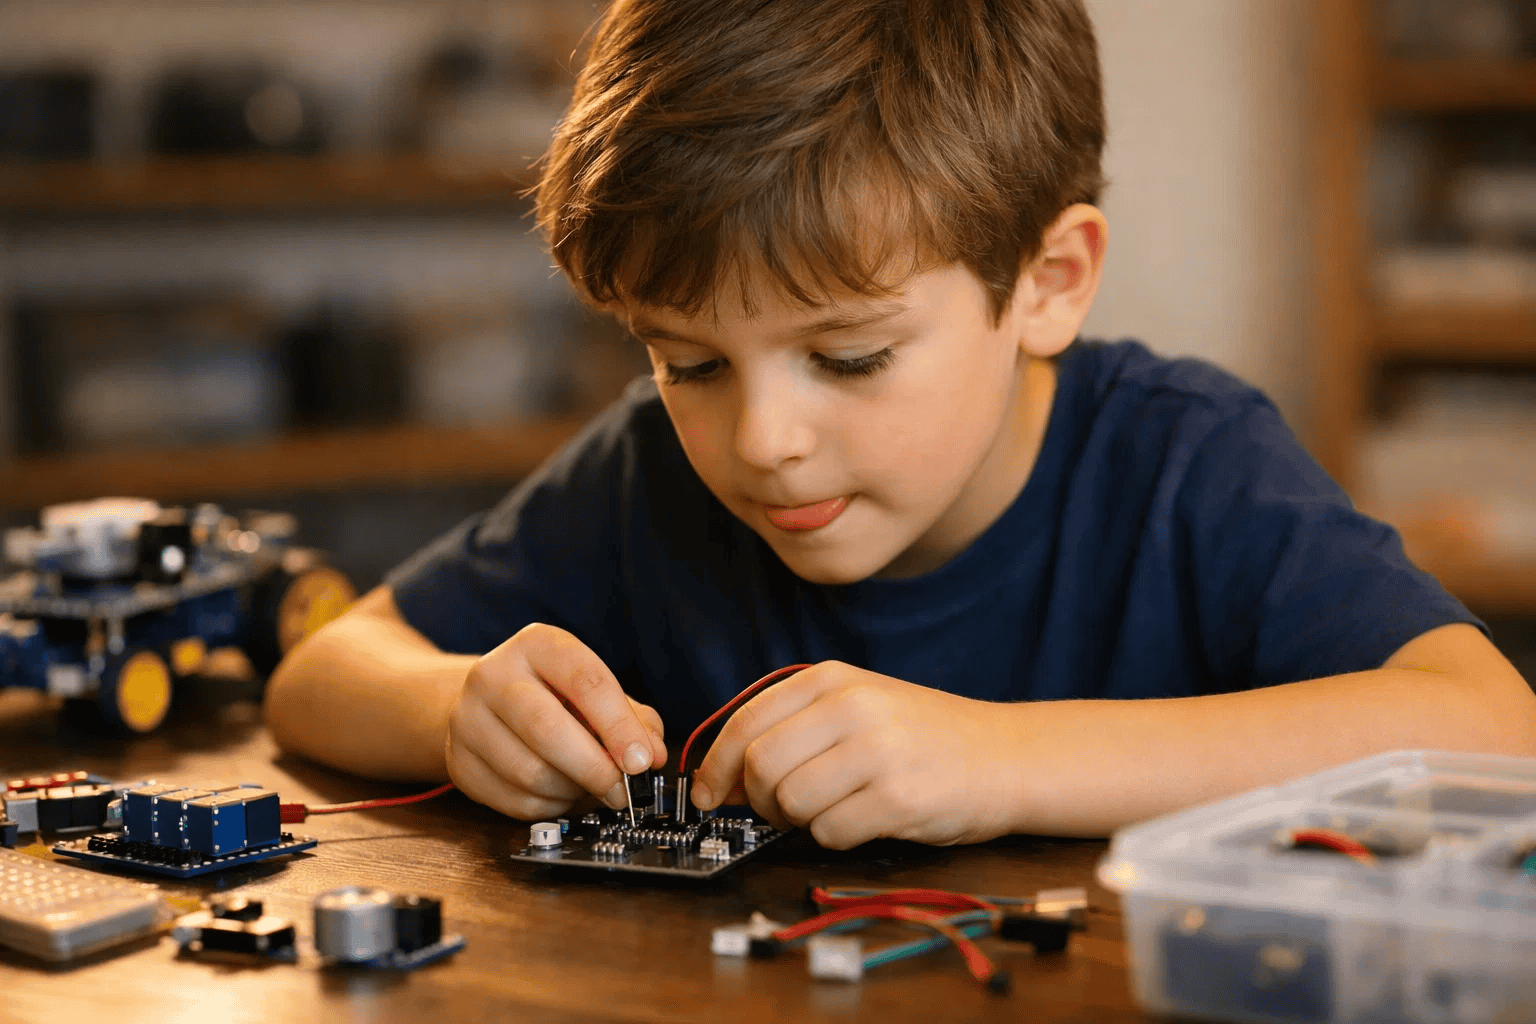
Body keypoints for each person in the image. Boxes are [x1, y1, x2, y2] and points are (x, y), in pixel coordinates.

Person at [265, 0, 1536, 847]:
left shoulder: (1184, 462)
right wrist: (455, 708)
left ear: (1046, 283)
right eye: (689, 360)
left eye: (850, 355)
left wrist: (998, 760)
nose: (763, 438)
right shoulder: (648, 476)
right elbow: (325, 671)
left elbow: (1494, 729)